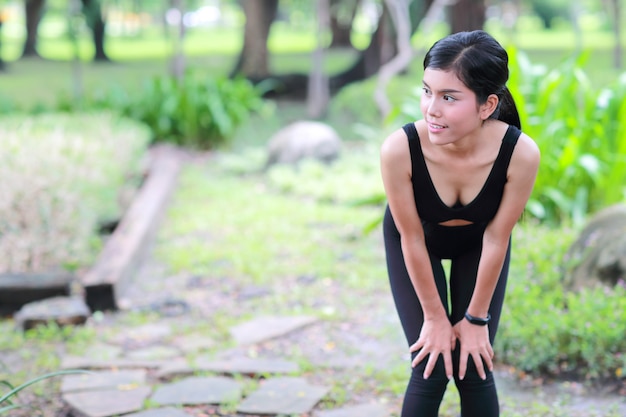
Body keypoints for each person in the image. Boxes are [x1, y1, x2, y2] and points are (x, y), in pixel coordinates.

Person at [380, 30, 540, 417]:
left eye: (449, 97)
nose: (431, 108)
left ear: (487, 105)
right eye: (427, 91)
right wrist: (436, 318)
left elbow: (498, 237)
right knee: (431, 366)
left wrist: (475, 319)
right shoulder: (399, 149)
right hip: (415, 242)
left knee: (474, 365)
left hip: (481, 245)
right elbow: (412, 238)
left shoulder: (519, 153)